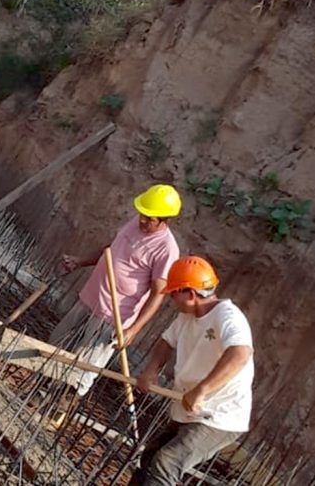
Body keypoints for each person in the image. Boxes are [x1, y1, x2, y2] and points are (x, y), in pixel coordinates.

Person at [47, 185, 182, 419]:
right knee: (58, 341)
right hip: (90, 298)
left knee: (85, 366)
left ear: (164, 221)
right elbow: (110, 250)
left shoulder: (166, 249)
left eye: (149, 218)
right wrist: (81, 261)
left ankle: (58, 410)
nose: (142, 220)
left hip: (114, 316)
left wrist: (132, 330)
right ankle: (44, 390)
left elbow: (159, 293)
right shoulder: (135, 222)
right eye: (141, 214)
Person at [130, 256, 255, 486]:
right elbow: (166, 342)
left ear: (190, 293)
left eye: (174, 292)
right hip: (188, 406)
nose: (170, 297)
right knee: (149, 458)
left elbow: (240, 354)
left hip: (218, 414)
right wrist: (151, 370)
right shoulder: (186, 317)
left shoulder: (227, 317)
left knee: (167, 462)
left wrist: (202, 390)